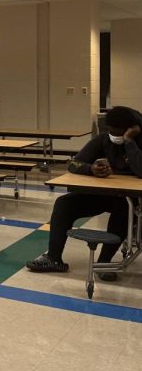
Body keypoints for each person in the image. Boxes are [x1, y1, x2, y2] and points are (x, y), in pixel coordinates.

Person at [26, 106, 142, 278]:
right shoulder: (103, 140)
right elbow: (74, 164)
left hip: (128, 199)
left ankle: (104, 263)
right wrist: (91, 169)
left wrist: (129, 142)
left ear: (131, 129)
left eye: (119, 133)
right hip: (101, 195)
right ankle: (53, 258)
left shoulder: (138, 142)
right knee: (64, 204)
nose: (114, 136)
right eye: (111, 131)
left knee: (123, 210)